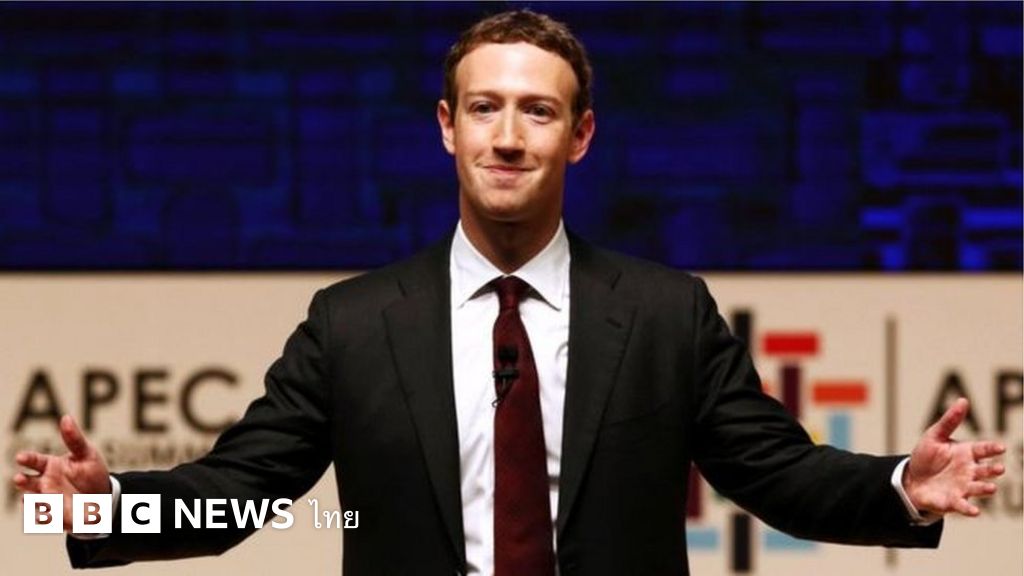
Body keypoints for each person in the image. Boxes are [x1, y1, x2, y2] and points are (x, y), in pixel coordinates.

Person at [13, 9, 1005, 576]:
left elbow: (774, 472)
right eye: (485, 108)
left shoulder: (666, 315)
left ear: (580, 136)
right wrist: (103, 510)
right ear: (447, 127)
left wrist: (899, 489)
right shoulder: (353, 325)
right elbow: (243, 489)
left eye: (538, 111)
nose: (508, 137)